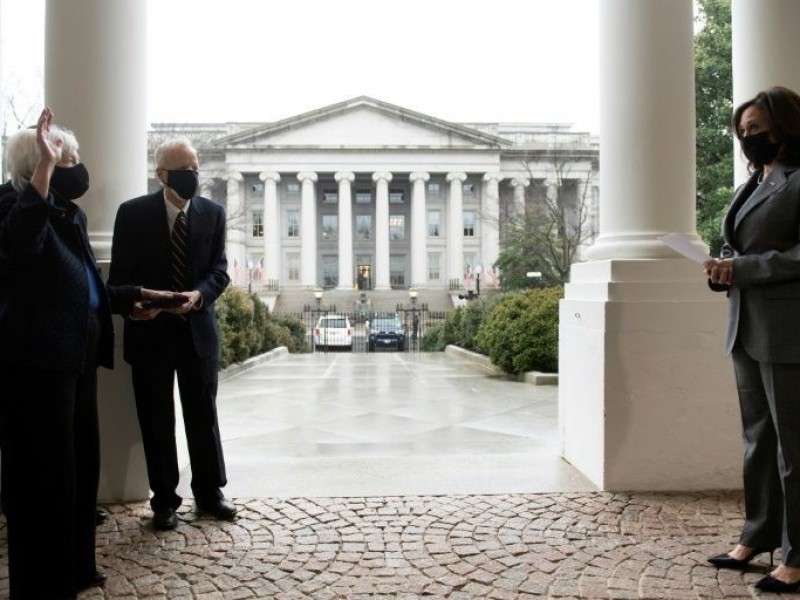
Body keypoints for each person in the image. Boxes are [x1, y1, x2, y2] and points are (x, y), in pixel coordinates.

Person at [0, 109, 169, 599]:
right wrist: (43, 173)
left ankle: (77, 566)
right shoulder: (15, 206)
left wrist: (133, 298)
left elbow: (87, 288)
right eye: (68, 159)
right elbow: (16, 245)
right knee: (41, 480)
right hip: (34, 367)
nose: (79, 167)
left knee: (78, 472)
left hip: (75, 361)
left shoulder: (68, 214)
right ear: (42, 164)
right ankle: (40, 584)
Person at [108, 138, 235, 531]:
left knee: (203, 415)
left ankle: (210, 492)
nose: (193, 174)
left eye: (196, 167)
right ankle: (164, 500)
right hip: (150, 335)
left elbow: (220, 271)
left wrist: (198, 296)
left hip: (196, 332)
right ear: (162, 174)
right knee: (156, 419)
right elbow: (119, 281)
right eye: (184, 168)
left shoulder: (213, 213)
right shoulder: (132, 214)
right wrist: (137, 303)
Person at [705, 86, 800, 593]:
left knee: (794, 447)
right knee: (757, 440)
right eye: (743, 132)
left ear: (784, 127)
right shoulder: (753, 183)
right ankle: (757, 535)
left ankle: (797, 555)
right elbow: (739, 243)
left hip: (788, 329)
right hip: (745, 325)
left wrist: (744, 267)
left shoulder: (797, 179)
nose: (748, 139)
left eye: (757, 129)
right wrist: (723, 267)